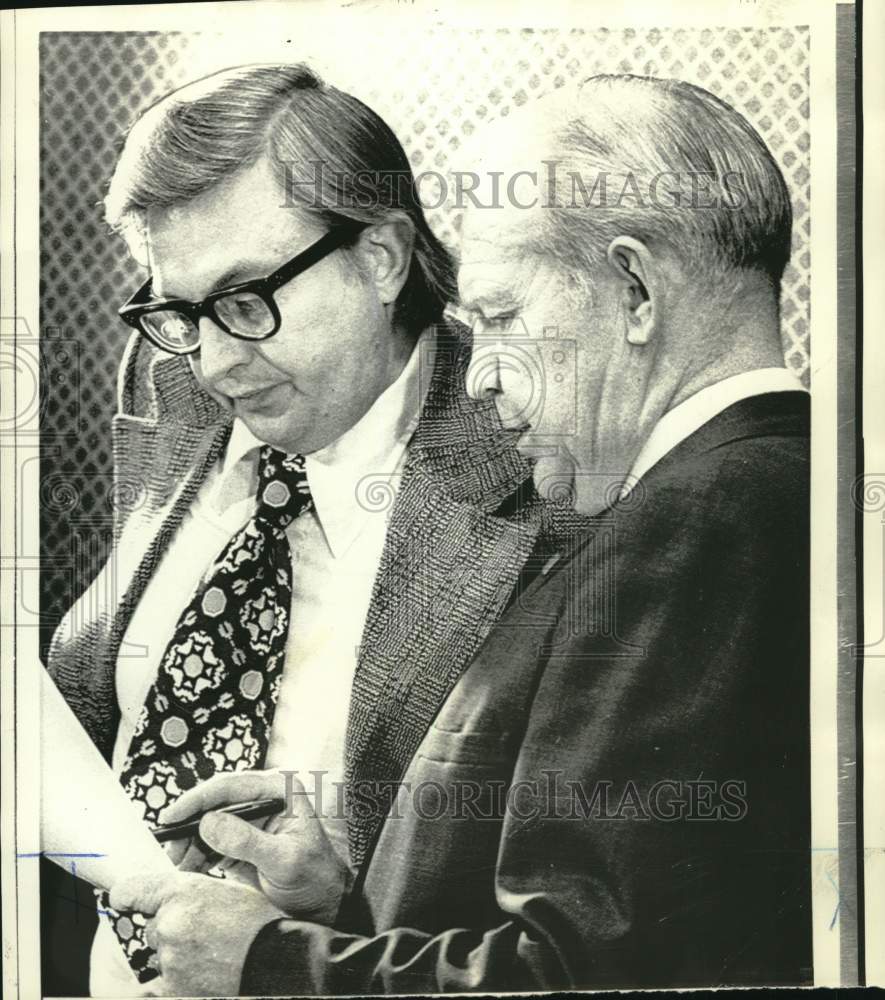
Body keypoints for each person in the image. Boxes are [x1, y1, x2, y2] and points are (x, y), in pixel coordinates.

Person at [109, 74, 812, 993]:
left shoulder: (692, 524)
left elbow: (585, 972)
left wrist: (269, 963)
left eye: (500, 317)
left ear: (635, 289)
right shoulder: (733, 494)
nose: (479, 375)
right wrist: (335, 907)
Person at [47, 62, 577, 996]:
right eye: (181, 310)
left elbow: (554, 939)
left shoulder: (542, 467)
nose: (213, 361)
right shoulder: (170, 382)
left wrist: (335, 914)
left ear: (380, 257)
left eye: (248, 301)